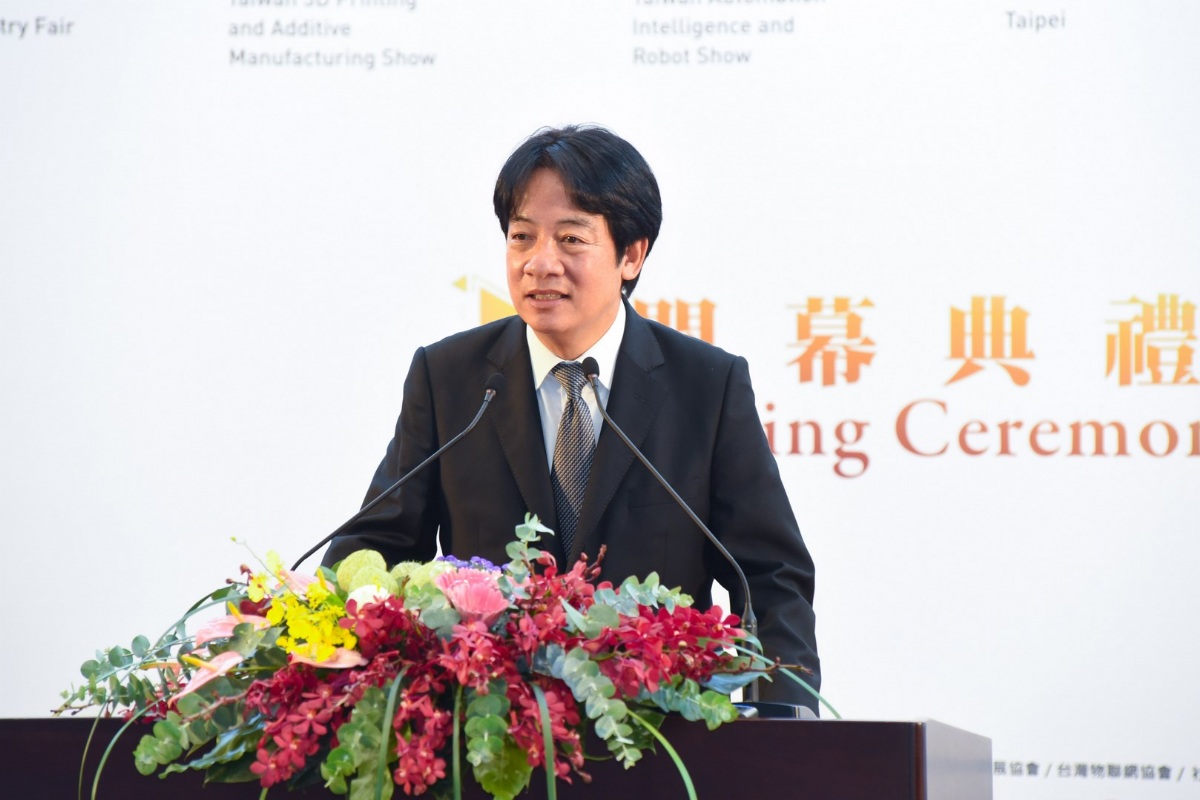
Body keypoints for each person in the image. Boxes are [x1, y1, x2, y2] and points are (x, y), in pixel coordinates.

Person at [322, 125, 820, 709]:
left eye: (570, 239)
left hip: (657, 729)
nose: (540, 263)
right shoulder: (450, 377)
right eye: (522, 237)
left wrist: (783, 723)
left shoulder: (706, 386)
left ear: (631, 255)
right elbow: (376, 545)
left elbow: (769, 576)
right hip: (487, 725)